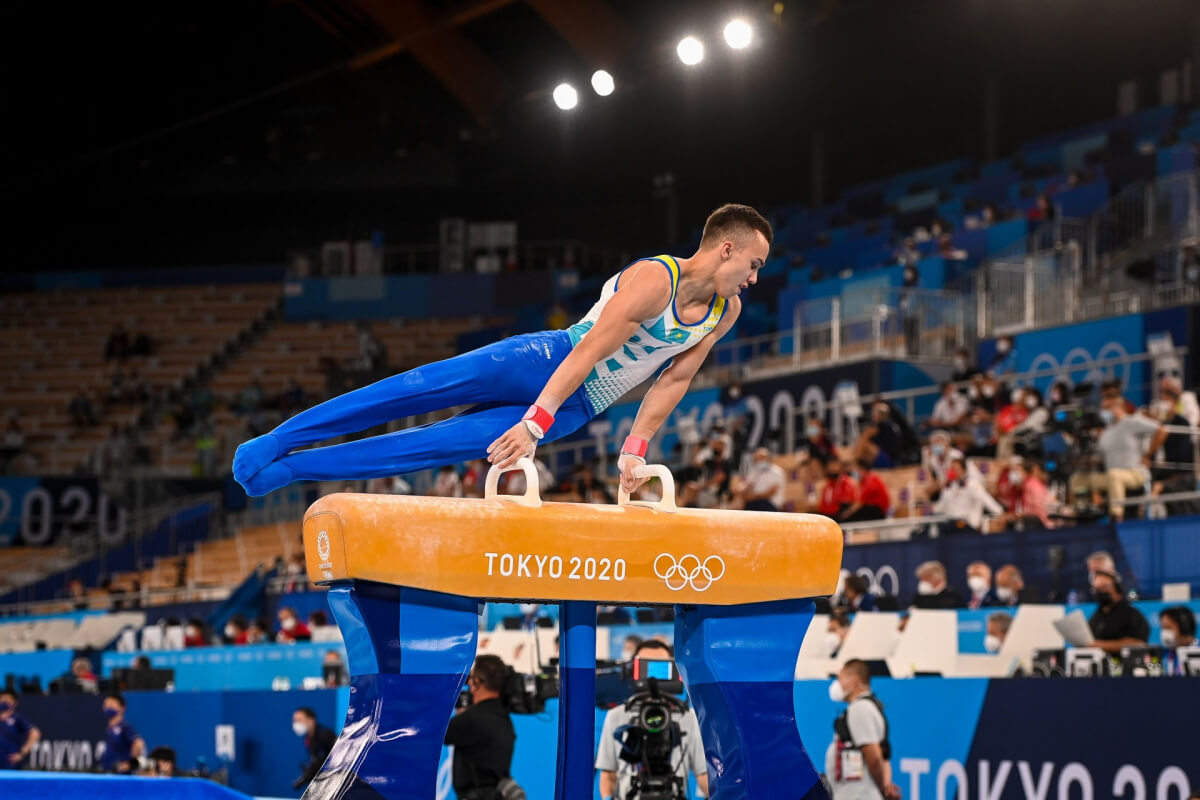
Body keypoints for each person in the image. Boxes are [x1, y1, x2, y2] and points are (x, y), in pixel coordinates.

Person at [233, 204, 771, 497]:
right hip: (544, 361)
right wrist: (536, 422)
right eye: (752, 264)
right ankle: (280, 438)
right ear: (727, 249)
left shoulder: (725, 314)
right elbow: (588, 353)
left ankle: (294, 470)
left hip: (578, 407)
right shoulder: (658, 278)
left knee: (432, 446)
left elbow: (672, 381)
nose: (753, 278)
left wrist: (634, 449)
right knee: (412, 391)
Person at [596, 640, 708, 800]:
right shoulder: (617, 715)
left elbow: (703, 774)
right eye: (646, 666)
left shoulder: (687, 717)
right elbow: (608, 775)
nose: (653, 678)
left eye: (661, 666)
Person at [1068, 394, 1161, 521]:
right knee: (1077, 479)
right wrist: (1083, 462)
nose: (1103, 412)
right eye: (1103, 408)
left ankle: (1117, 519)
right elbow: (1099, 458)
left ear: (1118, 407)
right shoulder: (1106, 433)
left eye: (1106, 408)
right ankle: (1080, 514)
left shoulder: (1132, 421)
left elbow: (1161, 429)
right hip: (1112, 476)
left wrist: (1148, 454)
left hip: (1135, 474)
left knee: (1114, 475)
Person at [825, 659, 900, 800]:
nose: (837, 684)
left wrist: (883, 790)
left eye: (840, 679)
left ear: (854, 681)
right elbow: (882, 756)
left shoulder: (860, 709)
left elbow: (875, 757)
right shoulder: (865, 707)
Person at [445, 655, 517, 800]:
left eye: (471, 678)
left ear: (476, 681)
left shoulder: (472, 720)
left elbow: (439, 733)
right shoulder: (503, 718)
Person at [932, 458, 1004, 534]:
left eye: (955, 469)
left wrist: (999, 512)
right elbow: (941, 506)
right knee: (935, 528)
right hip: (950, 522)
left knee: (953, 527)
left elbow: (985, 498)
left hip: (965, 524)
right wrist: (926, 511)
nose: (952, 471)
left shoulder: (971, 484)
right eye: (951, 469)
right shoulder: (949, 487)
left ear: (963, 470)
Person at [1087, 570, 1149, 654]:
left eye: (1104, 587)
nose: (1100, 591)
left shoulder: (1131, 615)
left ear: (1117, 588)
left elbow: (1138, 643)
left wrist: (1100, 645)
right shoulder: (1096, 617)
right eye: (1097, 589)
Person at [292, 706, 337, 790]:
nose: (296, 724)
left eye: (299, 720)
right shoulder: (309, 739)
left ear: (311, 720)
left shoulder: (325, 735)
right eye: (294, 721)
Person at [101, 694, 145, 773]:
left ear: (122, 708)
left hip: (121, 776)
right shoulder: (109, 728)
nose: (108, 708)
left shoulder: (124, 728)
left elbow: (139, 743)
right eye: (106, 705)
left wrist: (130, 764)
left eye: (111, 705)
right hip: (109, 773)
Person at [0, 690, 40, 770]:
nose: (4, 701)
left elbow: (35, 733)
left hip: (10, 766)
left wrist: (22, 753)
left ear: (14, 703)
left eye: (7, 699)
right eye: (2, 698)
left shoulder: (17, 718)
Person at [740, 447, 786, 511]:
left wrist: (753, 496)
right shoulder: (754, 472)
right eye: (757, 458)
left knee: (754, 505)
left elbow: (771, 492)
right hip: (754, 502)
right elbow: (747, 486)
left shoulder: (777, 472)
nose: (760, 460)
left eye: (762, 458)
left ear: (769, 458)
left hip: (771, 505)